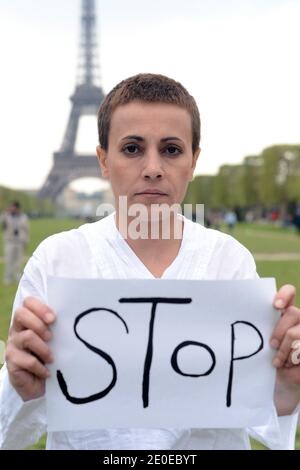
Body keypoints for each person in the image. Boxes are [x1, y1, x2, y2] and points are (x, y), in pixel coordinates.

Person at [0, 74, 300, 450]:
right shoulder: (55, 260)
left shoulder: (231, 261)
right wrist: (19, 386)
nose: (153, 167)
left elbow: (260, 413)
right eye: (132, 148)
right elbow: (10, 426)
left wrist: (286, 389)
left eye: (172, 150)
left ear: (194, 162)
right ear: (103, 160)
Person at [0, 201, 29, 285]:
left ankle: (18, 277)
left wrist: (26, 241)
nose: (12, 209)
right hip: (10, 241)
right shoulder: (7, 216)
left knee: (18, 261)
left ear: (18, 208)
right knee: (9, 260)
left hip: (20, 241)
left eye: (13, 207)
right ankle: (8, 278)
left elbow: (27, 230)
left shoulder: (23, 217)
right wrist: (5, 213)